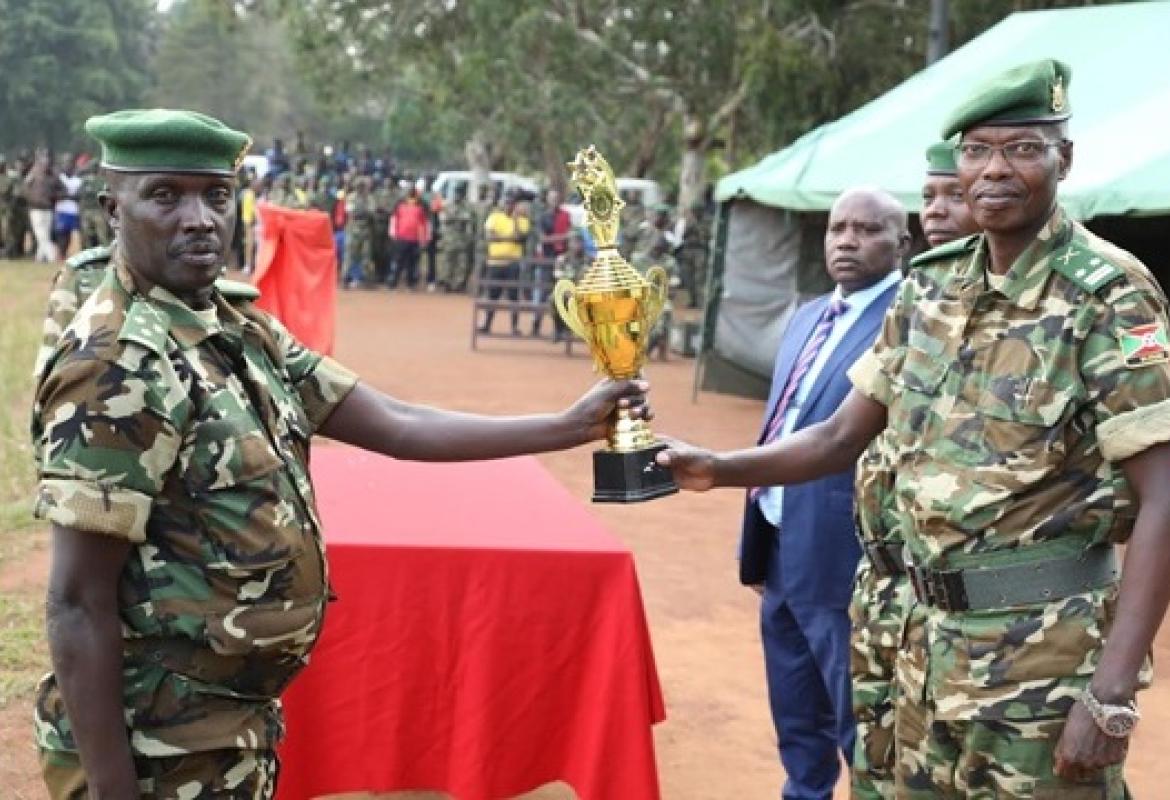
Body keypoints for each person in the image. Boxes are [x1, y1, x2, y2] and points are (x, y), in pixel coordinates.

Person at [31, 108, 650, 799]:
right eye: (165, 195)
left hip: (223, 727)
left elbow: (398, 424)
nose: (200, 219)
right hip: (152, 742)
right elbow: (76, 602)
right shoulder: (114, 366)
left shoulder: (236, 325)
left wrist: (569, 426)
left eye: (216, 195)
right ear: (113, 208)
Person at [658, 59, 1170, 798]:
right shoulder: (929, 286)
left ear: (1065, 158)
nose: (995, 169)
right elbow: (839, 436)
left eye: (1023, 149)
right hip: (915, 645)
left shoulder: (1111, 295)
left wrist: (1112, 693)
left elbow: (1163, 494)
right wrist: (719, 467)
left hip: (1041, 666)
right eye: (977, 150)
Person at [738, 187, 907, 799]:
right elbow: (782, 421)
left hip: (847, 557)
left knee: (857, 719)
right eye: (838, 228)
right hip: (781, 543)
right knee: (795, 712)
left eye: (867, 230)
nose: (847, 241)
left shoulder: (910, 321)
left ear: (902, 244)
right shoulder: (809, 316)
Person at [848, 143, 979, 800]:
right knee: (879, 768)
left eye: (955, 195)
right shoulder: (920, 300)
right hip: (887, 595)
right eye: (928, 197)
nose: (938, 212)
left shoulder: (1066, 306)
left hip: (987, 620)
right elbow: (842, 436)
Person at [479, 189, 530, 335]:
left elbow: (519, 238)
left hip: (513, 263)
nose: (508, 205)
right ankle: (486, 324)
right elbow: (490, 237)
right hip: (495, 262)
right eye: (506, 202)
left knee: (513, 296)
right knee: (492, 295)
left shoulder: (522, 220)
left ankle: (514, 327)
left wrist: (514, 221)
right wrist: (509, 238)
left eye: (511, 203)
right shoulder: (494, 217)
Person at [631, 233, 684, 362]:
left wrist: (671, 289)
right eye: (655, 247)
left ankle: (651, 350)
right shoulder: (638, 259)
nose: (656, 250)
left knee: (665, 314)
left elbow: (675, 280)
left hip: (660, 296)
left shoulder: (669, 262)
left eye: (660, 248)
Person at [551, 229, 590, 342]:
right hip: (566, 292)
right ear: (568, 243)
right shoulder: (562, 259)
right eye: (573, 241)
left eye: (579, 241)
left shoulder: (589, 260)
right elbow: (558, 278)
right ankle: (558, 329)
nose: (577, 244)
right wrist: (569, 292)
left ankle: (586, 332)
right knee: (553, 299)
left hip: (585, 293)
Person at [388, 185, 430, 289]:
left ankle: (410, 283)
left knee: (412, 262)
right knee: (398, 261)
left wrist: (425, 239)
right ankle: (393, 282)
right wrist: (393, 233)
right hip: (401, 238)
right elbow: (394, 220)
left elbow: (425, 224)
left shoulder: (420, 208)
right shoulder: (400, 206)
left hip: (414, 239)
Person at [24, 150, 62, 262]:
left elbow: (62, 189)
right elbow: (25, 188)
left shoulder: (53, 176)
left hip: (48, 208)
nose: (45, 165)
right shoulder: (33, 174)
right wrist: (30, 198)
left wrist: (55, 197)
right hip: (35, 208)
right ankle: (51, 257)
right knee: (41, 234)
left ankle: (39, 258)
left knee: (44, 234)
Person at [437, 183, 475, 292]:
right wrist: (457, 218)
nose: (458, 195)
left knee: (462, 263)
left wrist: (455, 218)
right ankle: (447, 282)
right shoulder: (448, 205)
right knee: (448, 261)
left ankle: (459, 284)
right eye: (457, 193)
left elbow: (469, 220)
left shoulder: (468, 207)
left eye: (460, 193)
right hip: (449, 238)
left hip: (462, 239)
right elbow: (444, 219)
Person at [342, 175, 374, 289]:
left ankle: (367, 279)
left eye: (362, 186)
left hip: (365, 229)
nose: (360, 188)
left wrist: (361, 211)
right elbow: (350, 211)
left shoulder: (369, 198)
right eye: (359, 186)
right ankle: (345, 278)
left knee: (366, 255)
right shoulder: (351, 197)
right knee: (349, 255)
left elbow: (371, 212)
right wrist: (362, 211)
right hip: (353, 229)